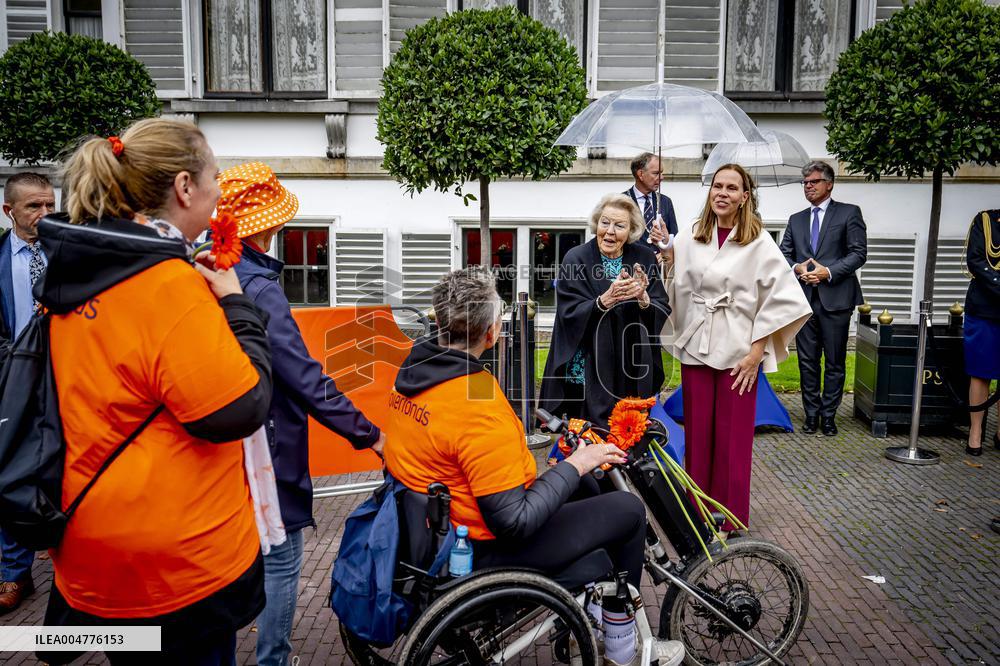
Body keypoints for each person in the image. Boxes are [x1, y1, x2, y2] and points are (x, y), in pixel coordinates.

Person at [36, 118, 272, 664]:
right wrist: (237, 306)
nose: (219, 192)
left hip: (94, 548)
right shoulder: (166, 286)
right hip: (173, 565)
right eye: (215, 177)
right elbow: (239, 407)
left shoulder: (75, 277)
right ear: (185, 187)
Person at [384, 267, 684, 666]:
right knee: (627, 511)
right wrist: (576, 462)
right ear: (492, 334)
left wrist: (574, 471)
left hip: (433, 525)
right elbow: (514, 522)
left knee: (587, 487)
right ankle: (619, 647)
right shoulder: (476, 410)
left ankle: (588, 613)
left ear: (438, 322)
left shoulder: (410, 379)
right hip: (480, 546)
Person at [218, 161, 386, 666]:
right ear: (266, 225)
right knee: (283, 559)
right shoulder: (260, 287)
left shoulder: (210, 268)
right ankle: (273, 660)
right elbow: (304, 378)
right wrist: (369, 435)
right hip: (266, 446)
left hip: (225, 443)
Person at [661, 164, 810, 530]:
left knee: (733, 439)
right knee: (698, 434)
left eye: (731, 187)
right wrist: (667, 258)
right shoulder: (691, 237)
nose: (722, 193)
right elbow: (676, 285)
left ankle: (730, 517)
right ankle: (697, 514)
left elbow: (781, 299)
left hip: (740, 351)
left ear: (745, 196)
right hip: (698, 343)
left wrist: (757, 352)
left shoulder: (759, 242)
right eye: (717, 186)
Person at [540, 193, 670, 426]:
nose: (610, 231)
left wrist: (643, 298)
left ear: (630, 231)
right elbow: (568, 311)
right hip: (589, 363)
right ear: (596, 223)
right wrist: (604, 300)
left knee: (630, 429)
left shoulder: (644, 257)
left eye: (619, 225)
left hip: (631, 360)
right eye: (605, 222)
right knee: (589, 433)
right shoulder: (576, 258)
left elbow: (662, 306)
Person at [779, 161, 867, 436]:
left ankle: (829, 416)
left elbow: (858, 253)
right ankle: (811, 414)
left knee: (835, 361)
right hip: (804, 299)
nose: (808, 186)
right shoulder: (796, 219)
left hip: (837, 299)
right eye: (805, 183)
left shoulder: (849, 213)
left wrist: (827, 272)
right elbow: (784, 254)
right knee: (806, 361)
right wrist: (797, 269)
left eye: (814, 182)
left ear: (829, 184)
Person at [0, 172, 55, 615]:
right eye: (34, 207)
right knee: (12, 472)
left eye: (49, 205)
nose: (44, 215)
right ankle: (13, 574)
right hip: (11, 383)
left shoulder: (69, 252)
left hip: (65, 380)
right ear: (9, 211)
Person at [962, 208, 1000, 456]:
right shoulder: (985, 220)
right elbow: (975, 260)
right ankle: (975, 432)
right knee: (980, 373)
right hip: (986, 308)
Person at [623, 152, 679, 248]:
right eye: (656, 173)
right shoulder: (621, 201)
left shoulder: (665, 202)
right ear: (640, 174)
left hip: (659, 262)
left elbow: (675, 238)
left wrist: (664, 253)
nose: (662, 177)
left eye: (661, 173)